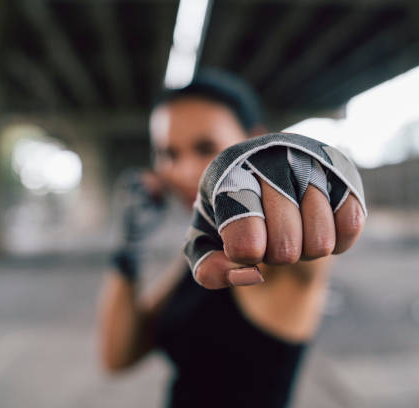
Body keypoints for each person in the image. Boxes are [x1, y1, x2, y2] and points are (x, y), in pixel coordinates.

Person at [97, 70, 365, 408]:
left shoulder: (276, 255)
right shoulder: (203, 250)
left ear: (254, 141)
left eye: (205, 147)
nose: (181, 171)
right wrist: (128, 249)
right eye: (168, 154)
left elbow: (312, 250)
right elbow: (118, 356)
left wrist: (303, 172)